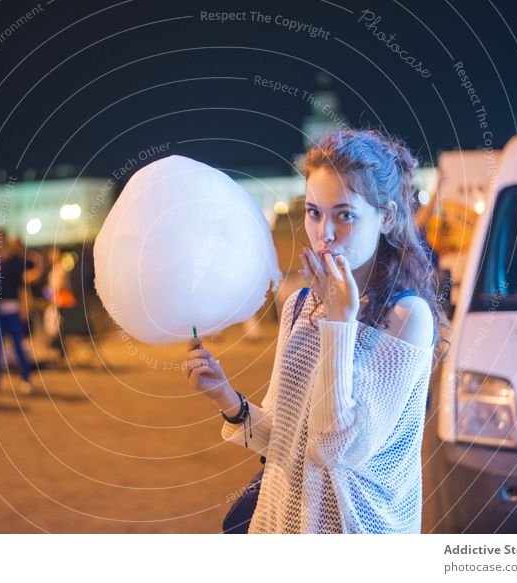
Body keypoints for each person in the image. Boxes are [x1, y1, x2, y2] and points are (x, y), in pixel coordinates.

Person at [185, 128, 449, 534]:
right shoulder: (299, 306)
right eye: (313, 212)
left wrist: (339, 323)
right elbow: (283, 439)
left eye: (344, 214)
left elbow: (338, 449)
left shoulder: (406, 318)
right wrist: (226, 397)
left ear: (388, 217)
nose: (324, 232)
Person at [0, 231, 38, 396]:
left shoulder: (15, 261)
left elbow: (21, 286)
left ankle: (25, 379)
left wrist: (24, 308)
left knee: (18, 346)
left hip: (13, 309)